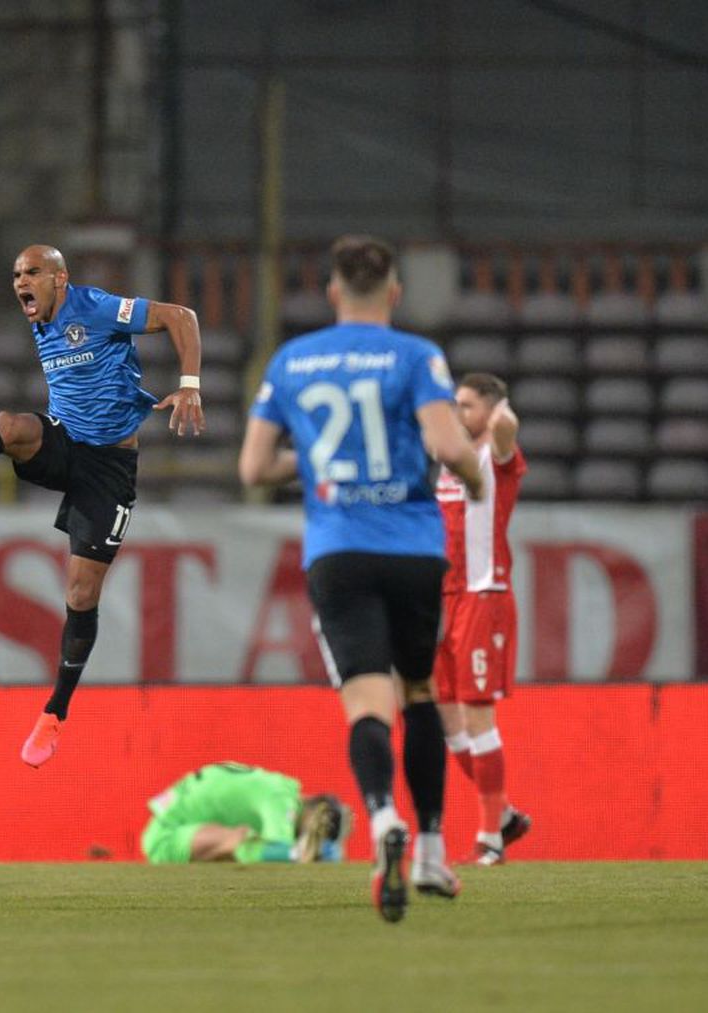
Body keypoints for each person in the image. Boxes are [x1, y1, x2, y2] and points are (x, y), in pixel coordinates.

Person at [0, 244, 205, 767]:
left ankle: (55, 712)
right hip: (65, 444)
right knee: (9, 426)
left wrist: (190, 385)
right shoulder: (42, 318)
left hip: (109, 468)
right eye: (16, 275)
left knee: (81, 592)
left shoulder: (96, 306)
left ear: (60, 279)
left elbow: (180, 315)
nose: (21, 283)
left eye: (32, 273)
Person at [238, 235, 484, 923]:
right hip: (414, 547)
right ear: (395, 293)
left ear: (333, 292)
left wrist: (320, 461)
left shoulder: (292, 360)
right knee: (419, 691)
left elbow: (254, 468)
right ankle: (431, 847)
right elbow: (447, 444)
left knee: (367, 702)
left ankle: (381, 818)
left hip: (339, 549)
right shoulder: (416, 355)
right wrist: (472, 478)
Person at [433, 373, 532, 866]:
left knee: (477, 713)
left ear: (490, 409)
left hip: (482, 594)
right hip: (445, 598)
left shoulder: (497, 455)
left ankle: (490, 836)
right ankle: (505, 813)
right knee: (446, 717)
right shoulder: (450, 460)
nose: (459, 412)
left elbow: (507, 431)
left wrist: (501, 418)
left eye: (468, 405)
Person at [141, 762, 353, 865]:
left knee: (245, 848)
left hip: (172, 824)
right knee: (243, 840)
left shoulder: (279, 788)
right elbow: (271, 848)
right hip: (166, 838)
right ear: (311, 808)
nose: (314, 834)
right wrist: (307, 853)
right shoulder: (281, 800)